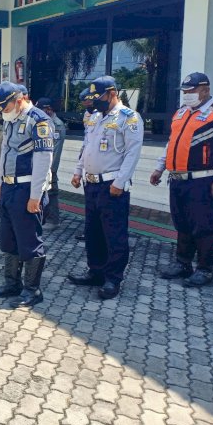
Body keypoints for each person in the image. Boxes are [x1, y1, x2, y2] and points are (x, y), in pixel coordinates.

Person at [150, 72, 213, 286]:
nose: (187, 95)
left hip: (204, 181)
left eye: (191, 91)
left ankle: (205, 269)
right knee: (182, 223)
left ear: (205, 90)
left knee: (203, 225)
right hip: (178, 179)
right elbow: (171, 143)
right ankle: (183, 263)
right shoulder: (181, 113)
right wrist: (159, 168)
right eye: (184, 92)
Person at [69, 76, 144, 300]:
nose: (95, 103)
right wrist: (78, 170)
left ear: (112, 93)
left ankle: (113, 279)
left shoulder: (128, 118)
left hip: (112, 186)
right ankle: (96, 272)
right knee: (93, 233)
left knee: (114, 235)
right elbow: (87, 146)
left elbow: (133, 153)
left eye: (98, 98)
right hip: (91, 184)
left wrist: (120, 182)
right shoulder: (94, 117)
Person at [0, 82, 53, 308]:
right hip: (8, 188)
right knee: (9, 238)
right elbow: (4, 152)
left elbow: (44, 160)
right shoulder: (11, 119)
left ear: (18, 100)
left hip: (27, 190)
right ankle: (11, 283)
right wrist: (0, 183)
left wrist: (36, 196)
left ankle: (32, 290)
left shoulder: (39, 119)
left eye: (5, 106)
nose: (2, 111)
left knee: (29, 241)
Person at [39, 98, 67, 227]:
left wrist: (51, 169)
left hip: (50, 166)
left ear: (49, 109)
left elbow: (55, 150)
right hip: (42, 164)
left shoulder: (57, 125)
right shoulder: (44, 122)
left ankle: (53, 220)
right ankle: (44, 217)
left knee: (52, 191)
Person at [75, 88, 93, 241]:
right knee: (89, 201)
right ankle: (89, 230)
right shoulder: (87, 114)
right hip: (87, 156)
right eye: (83, 101)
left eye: (87, 100)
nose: (85, 103)